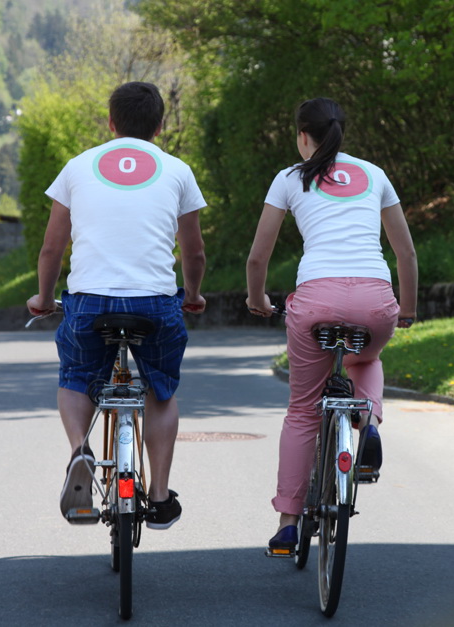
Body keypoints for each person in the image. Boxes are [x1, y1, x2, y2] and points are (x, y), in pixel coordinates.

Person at [27, 81, 207, 530]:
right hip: (156, 304)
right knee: (160, 389)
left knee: (75, 379)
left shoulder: (77, 167)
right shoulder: (178, 171)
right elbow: (194, 251)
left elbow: (52, 249)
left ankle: (79, 452)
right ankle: (161, 496)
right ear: (160, 127)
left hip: (89, 301)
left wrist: (45, 298)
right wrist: (193, 294)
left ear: (111, 123)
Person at [245, 97, 418, 552]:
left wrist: (257, 297)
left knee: (303, 411)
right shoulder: (374, 174)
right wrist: (409, 309)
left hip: (316, 300)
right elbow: (405, 253)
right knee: (367, 356)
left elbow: (258, 255)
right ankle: (370, 420)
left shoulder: (289, 179)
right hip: (375, 298)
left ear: (303, 135)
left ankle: (287, 521)